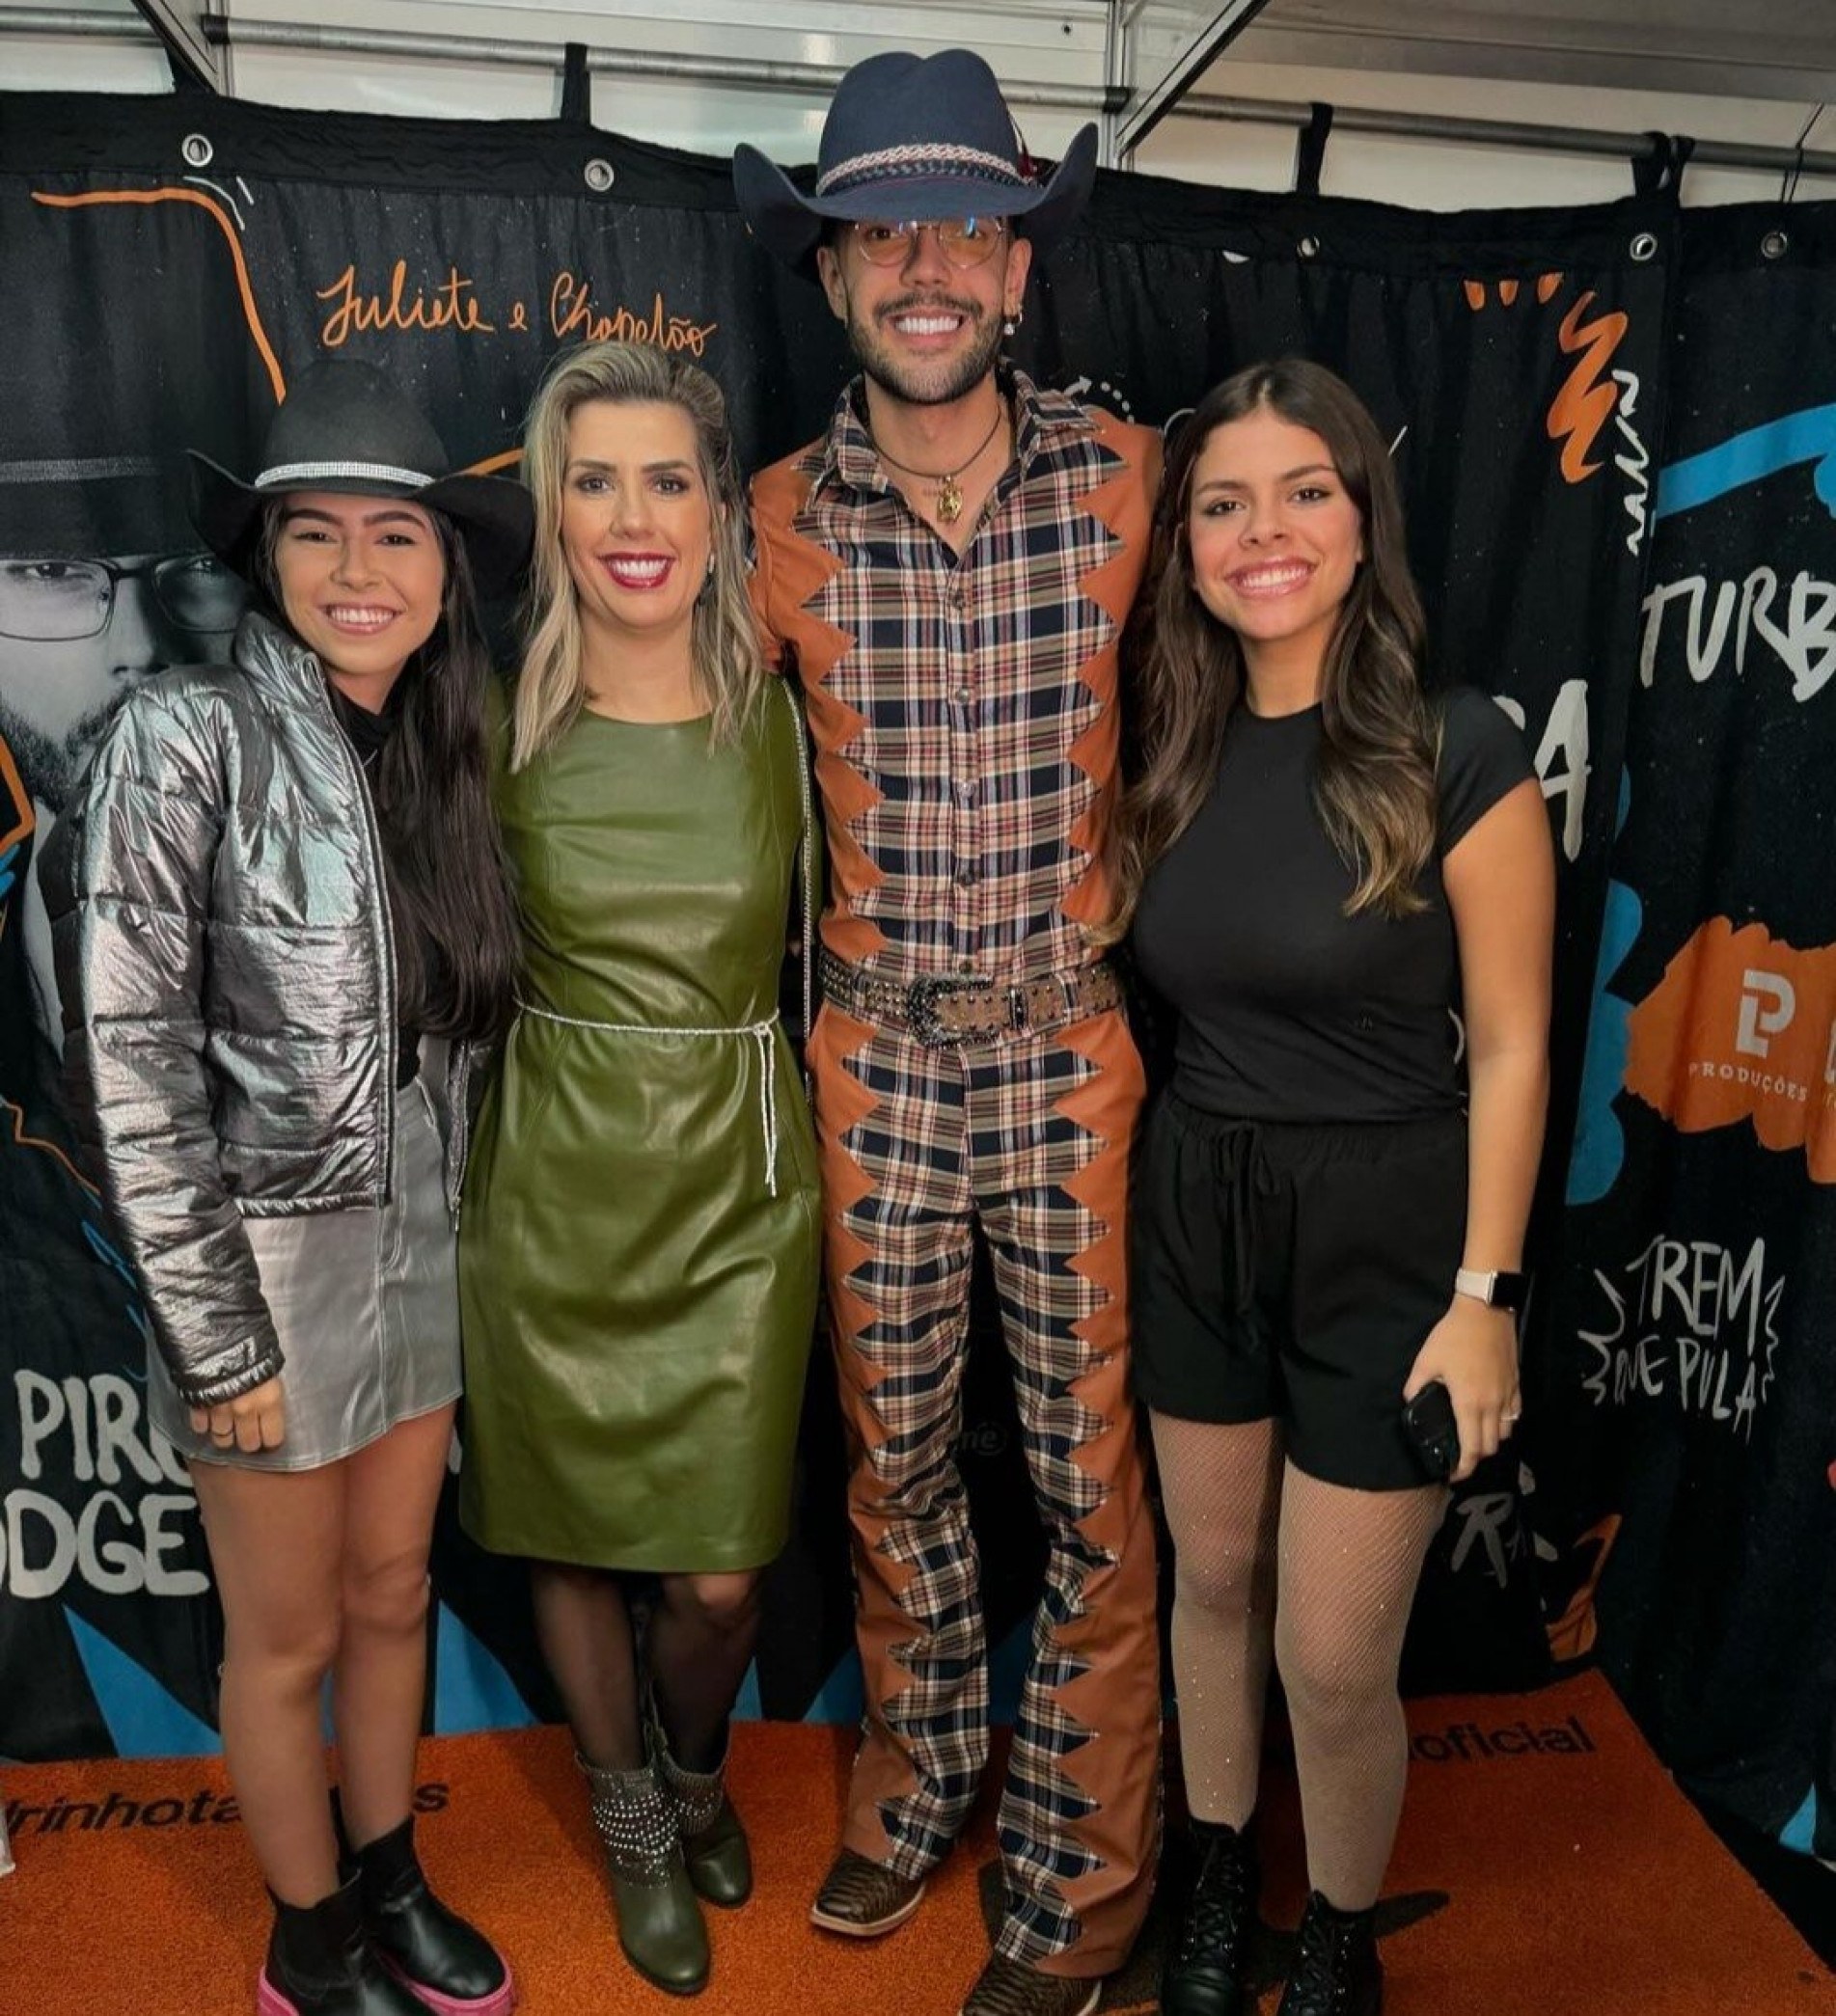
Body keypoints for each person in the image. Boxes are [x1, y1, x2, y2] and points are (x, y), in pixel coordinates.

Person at [735, 49, 1163, 2016]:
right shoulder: (763, 526)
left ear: (1016, 267)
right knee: (894, 1462)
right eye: (879, 228)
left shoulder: (1134, 479)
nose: (924, 262)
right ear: (827, 275)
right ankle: (915, 1796)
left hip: (1069, 1043)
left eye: (964, 226)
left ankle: (1080, 1878)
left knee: (1087, 1483)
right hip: (874, 1054)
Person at [41, 357, 529, 2016]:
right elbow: (128, 1066)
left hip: (414, 1255)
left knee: (397, 1589)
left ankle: (389, 1873)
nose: (357, 572)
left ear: (446, 563)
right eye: (313, 534)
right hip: (261, 1268)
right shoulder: (185, 739)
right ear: (264, 559)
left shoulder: (444, 757)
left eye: (394, 534)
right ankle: (310, 1934)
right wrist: (215, 1333)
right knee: (290, 1638)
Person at [1109, 358, 1553, 2016]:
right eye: (1223, 502)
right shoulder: (1167, 743)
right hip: (1197, 1205)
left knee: (1332, 1652)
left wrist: (1485, 1300)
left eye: (1305, 491)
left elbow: (1512, 1047)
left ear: (1364, 525)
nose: (1262, 531)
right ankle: (1220, 1881)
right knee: (1210, 1587)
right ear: (1190, 546)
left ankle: (1342, 1945)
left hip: (1395, 1232)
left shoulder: (1460, 750)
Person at [456, 341, 821, 1999]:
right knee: (571, 1534)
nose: (631, 516)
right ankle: (632, 1813)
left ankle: (693, 1768)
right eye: (592, 478)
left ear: (715, 505)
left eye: (666, 477)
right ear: (551, 503)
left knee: (720, 1574)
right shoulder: (489, 718)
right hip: (553, 1176)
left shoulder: (787, 717)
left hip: (740, 1185)